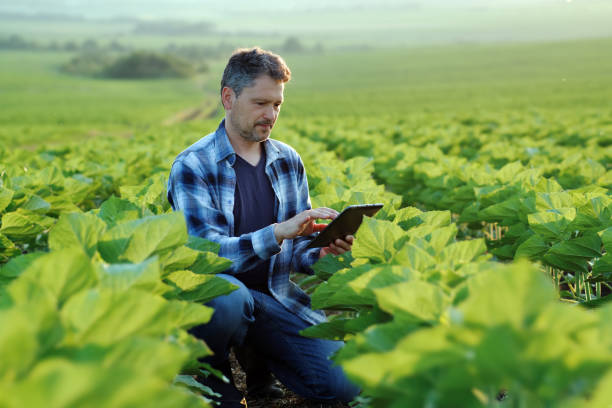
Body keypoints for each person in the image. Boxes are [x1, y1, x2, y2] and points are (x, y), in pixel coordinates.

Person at [167, 47, 360, 407]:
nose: (270, 115)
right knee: (228, 299)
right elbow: (204, 255)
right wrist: (276, 233)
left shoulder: (287, 161)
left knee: (343, 387)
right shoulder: (193, 166)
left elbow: (297, 250)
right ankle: (216, 375)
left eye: (277, 105)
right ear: (228, 97)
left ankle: (259, 360)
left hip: (275, 297)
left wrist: (319, 251)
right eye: (260, 103)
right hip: (222, 296)